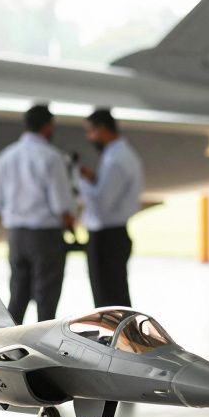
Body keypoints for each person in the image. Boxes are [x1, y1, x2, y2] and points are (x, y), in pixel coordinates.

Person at [0, 104, 75, 323]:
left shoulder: (5, 157)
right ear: (48, 127)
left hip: (16, 235)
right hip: (45, 236)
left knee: (17, 296)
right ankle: (44, 351)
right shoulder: (51, 157)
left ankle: (8, 347)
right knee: (46, 301)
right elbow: (61, 203)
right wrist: (69, 222)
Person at [77, 108, 143, 307]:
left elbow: (102, 205)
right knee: (115, 296)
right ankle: (120, 337)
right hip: (114, 235)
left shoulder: (116, 159)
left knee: (107, 301)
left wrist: (82, 182)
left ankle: (114, 338)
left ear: (103, 129)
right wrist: (94, 179)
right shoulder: (121, 155)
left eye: (91, 132)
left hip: (107, 238)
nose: (90, 138)